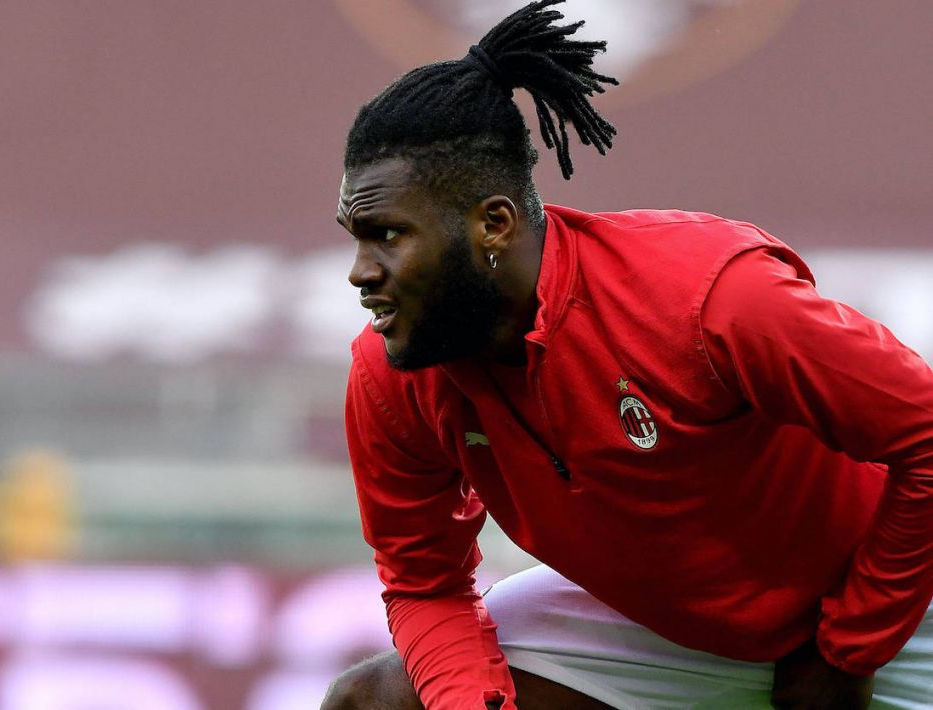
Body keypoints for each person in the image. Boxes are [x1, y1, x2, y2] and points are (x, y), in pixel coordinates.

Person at [322, 1, 933, 708]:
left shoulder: (708, 299)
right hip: (668, 626)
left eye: (387, 235)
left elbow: (925, 434)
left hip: (886, 596)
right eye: (355, 238)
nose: (360, 272)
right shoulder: (390, 371)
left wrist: (847, 650)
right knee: (372, 701)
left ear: (493, 223)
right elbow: (425, 583)